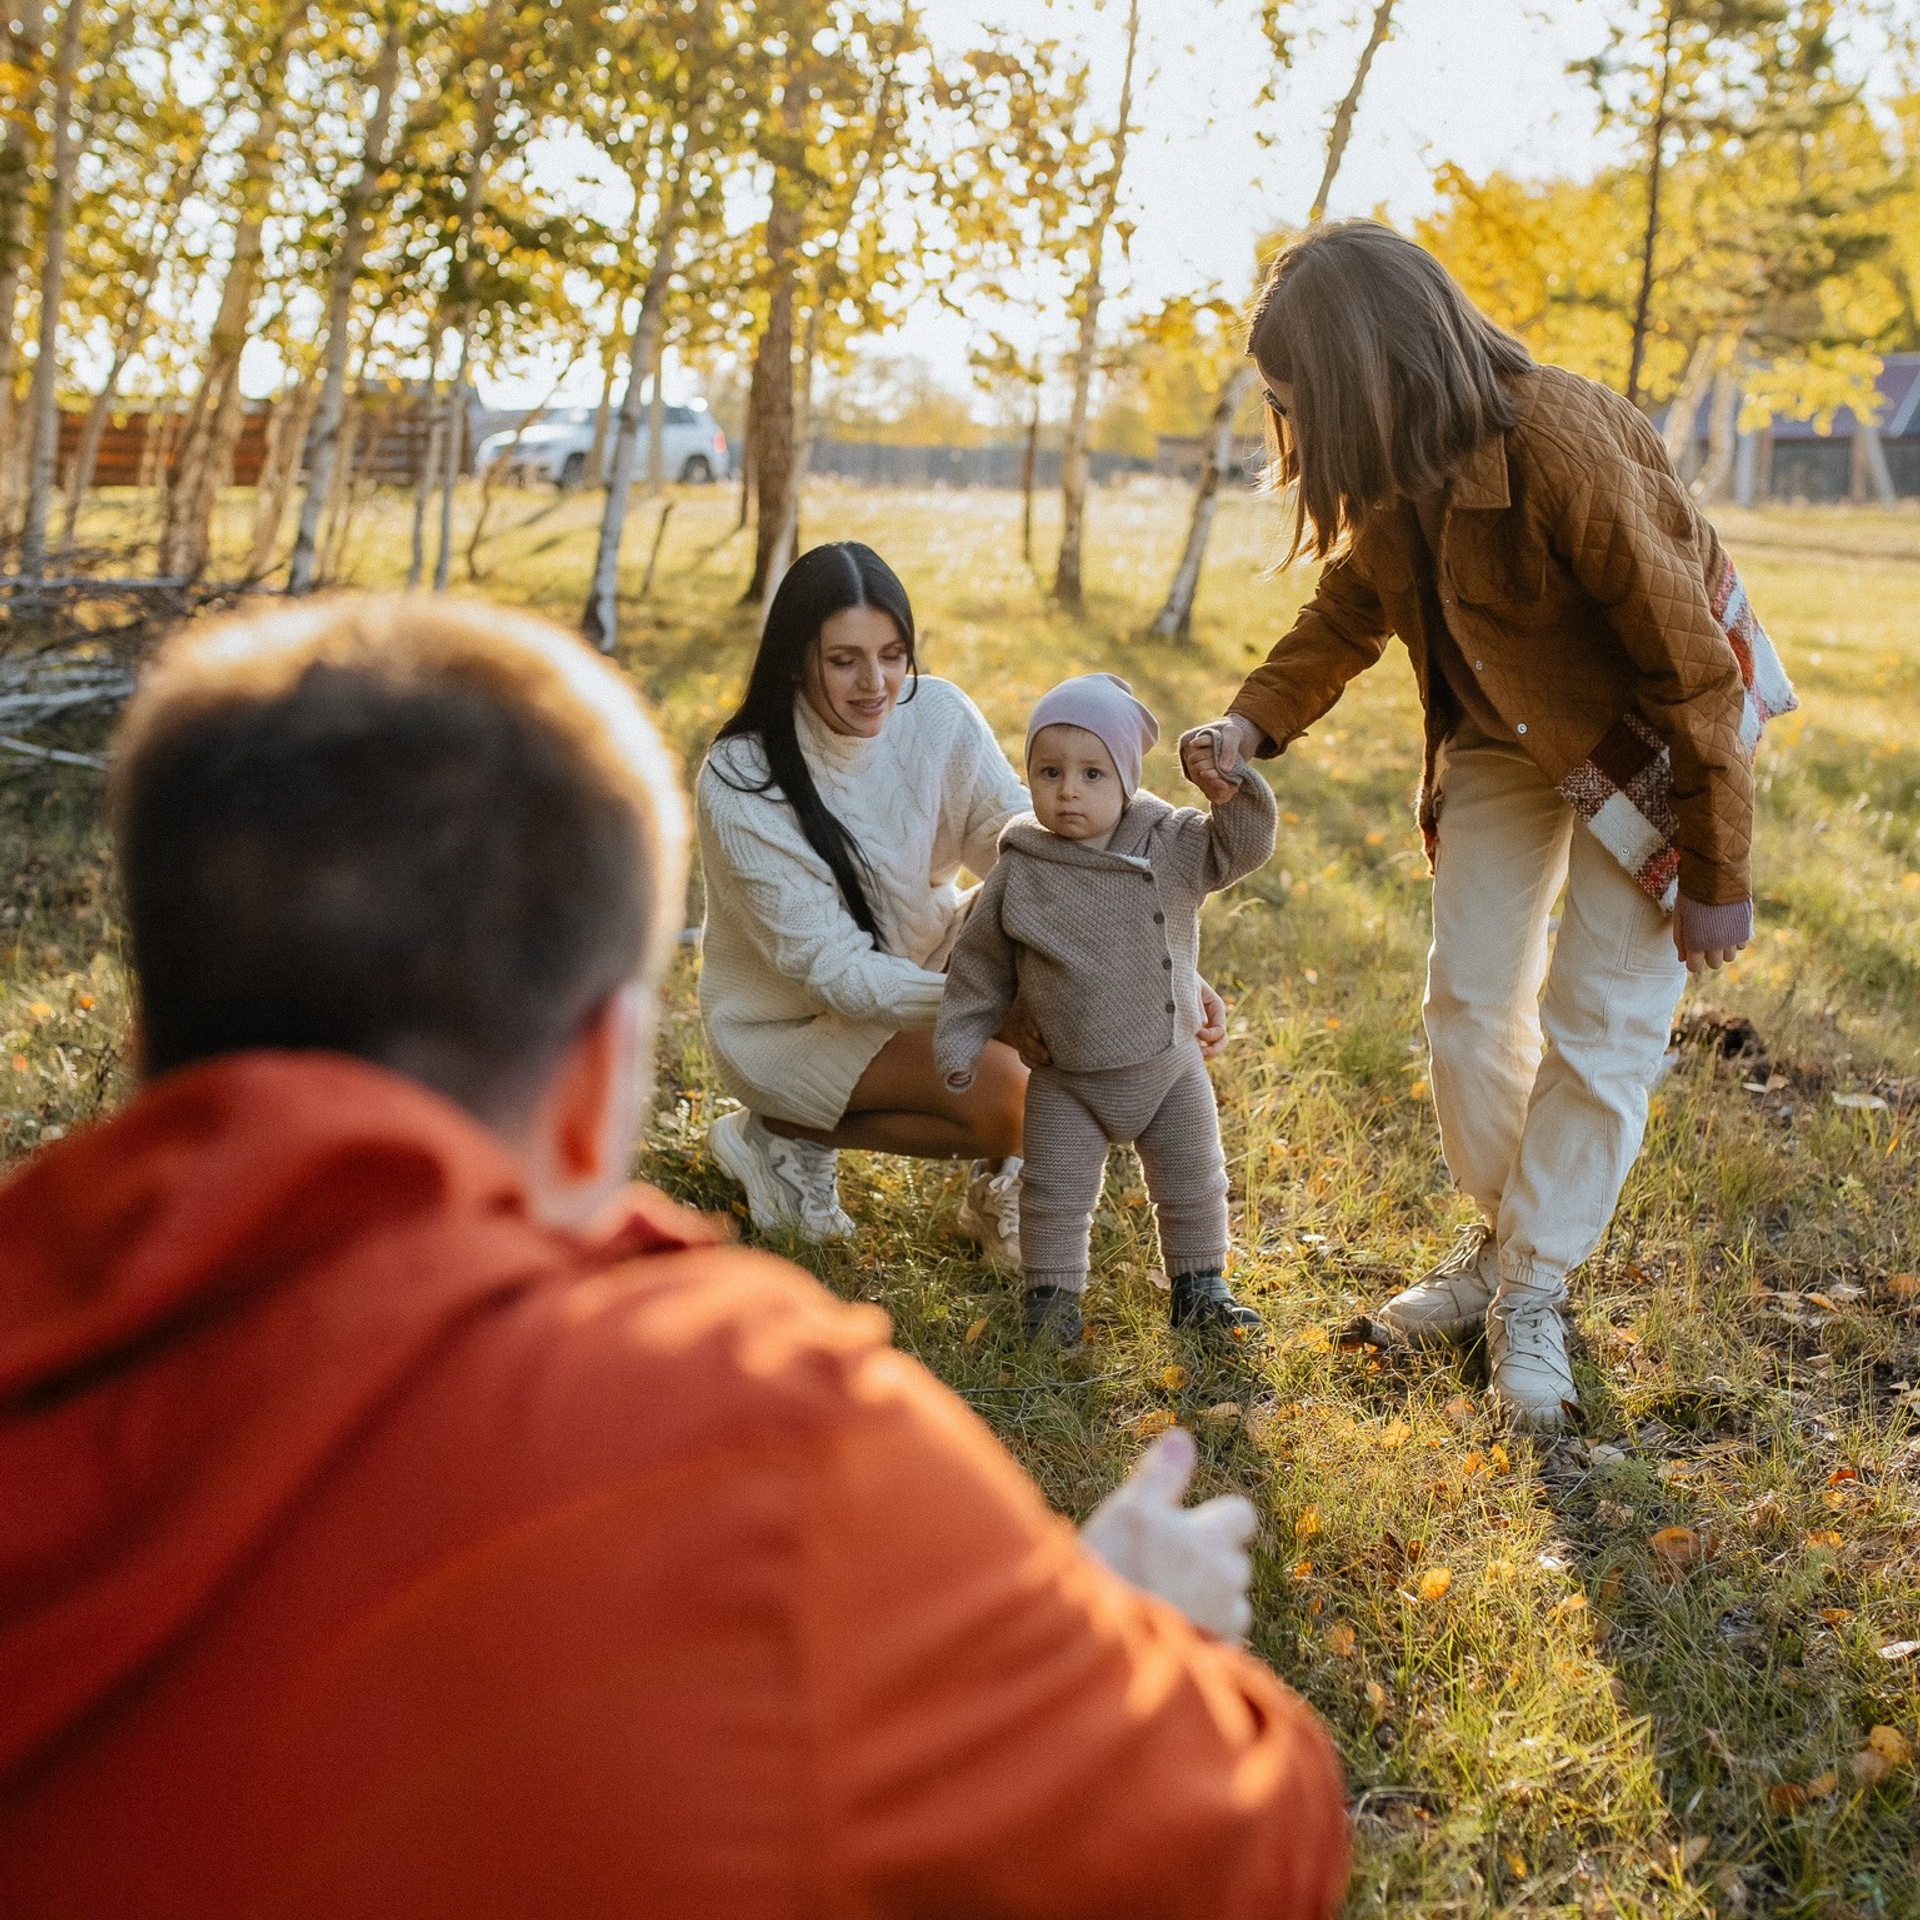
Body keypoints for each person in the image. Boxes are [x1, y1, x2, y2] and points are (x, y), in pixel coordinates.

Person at [0, 594, 1350, 1919]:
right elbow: (1260, 1845)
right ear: (603, 1073)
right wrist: (1128, 1628)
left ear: (144, 1045)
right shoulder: (766, 1430)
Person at [1181, 222, 1795, 1433]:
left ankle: (1533, 1288)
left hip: (1652, 732)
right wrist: (1251, 720)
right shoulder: (1394, 472)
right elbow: (1351, 608)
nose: (1287, 427)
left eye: (1294, 400)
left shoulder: (1558, 441)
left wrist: (1718, 870)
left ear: (1365, 377)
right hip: (1504, 730)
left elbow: (1693, 673)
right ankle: (1510, 1244)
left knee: (1601, 1022)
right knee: (1467, 1005)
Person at [696, 540, 1226, 1253]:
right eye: (844, 660)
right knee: (1020, 1102)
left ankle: (1006, 1183)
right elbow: (835, 974)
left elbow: (1043, 853)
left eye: (892, 655)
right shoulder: (742, 781)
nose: (875, 683)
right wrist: (994, 1010)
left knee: (1069, 992)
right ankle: (778, 1133)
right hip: (799, 1025)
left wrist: (1161, 973)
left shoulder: (937, 715)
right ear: (795, 659)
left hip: (930, 955)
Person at [935, 676, 1276, 1347]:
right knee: (1054, 1194)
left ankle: (1201, 1288)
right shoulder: (1020, 866)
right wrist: (962, 1040)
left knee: (1193, 1181)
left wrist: (1229, 791)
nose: (1068, 790)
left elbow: (1241, 848)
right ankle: (1051, 1301)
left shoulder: (1170, 842)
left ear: (1126, 778)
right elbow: (978, 964)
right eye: (1050, 772)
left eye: (1092, 774)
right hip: (1068, 1079)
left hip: (1169, 1068)